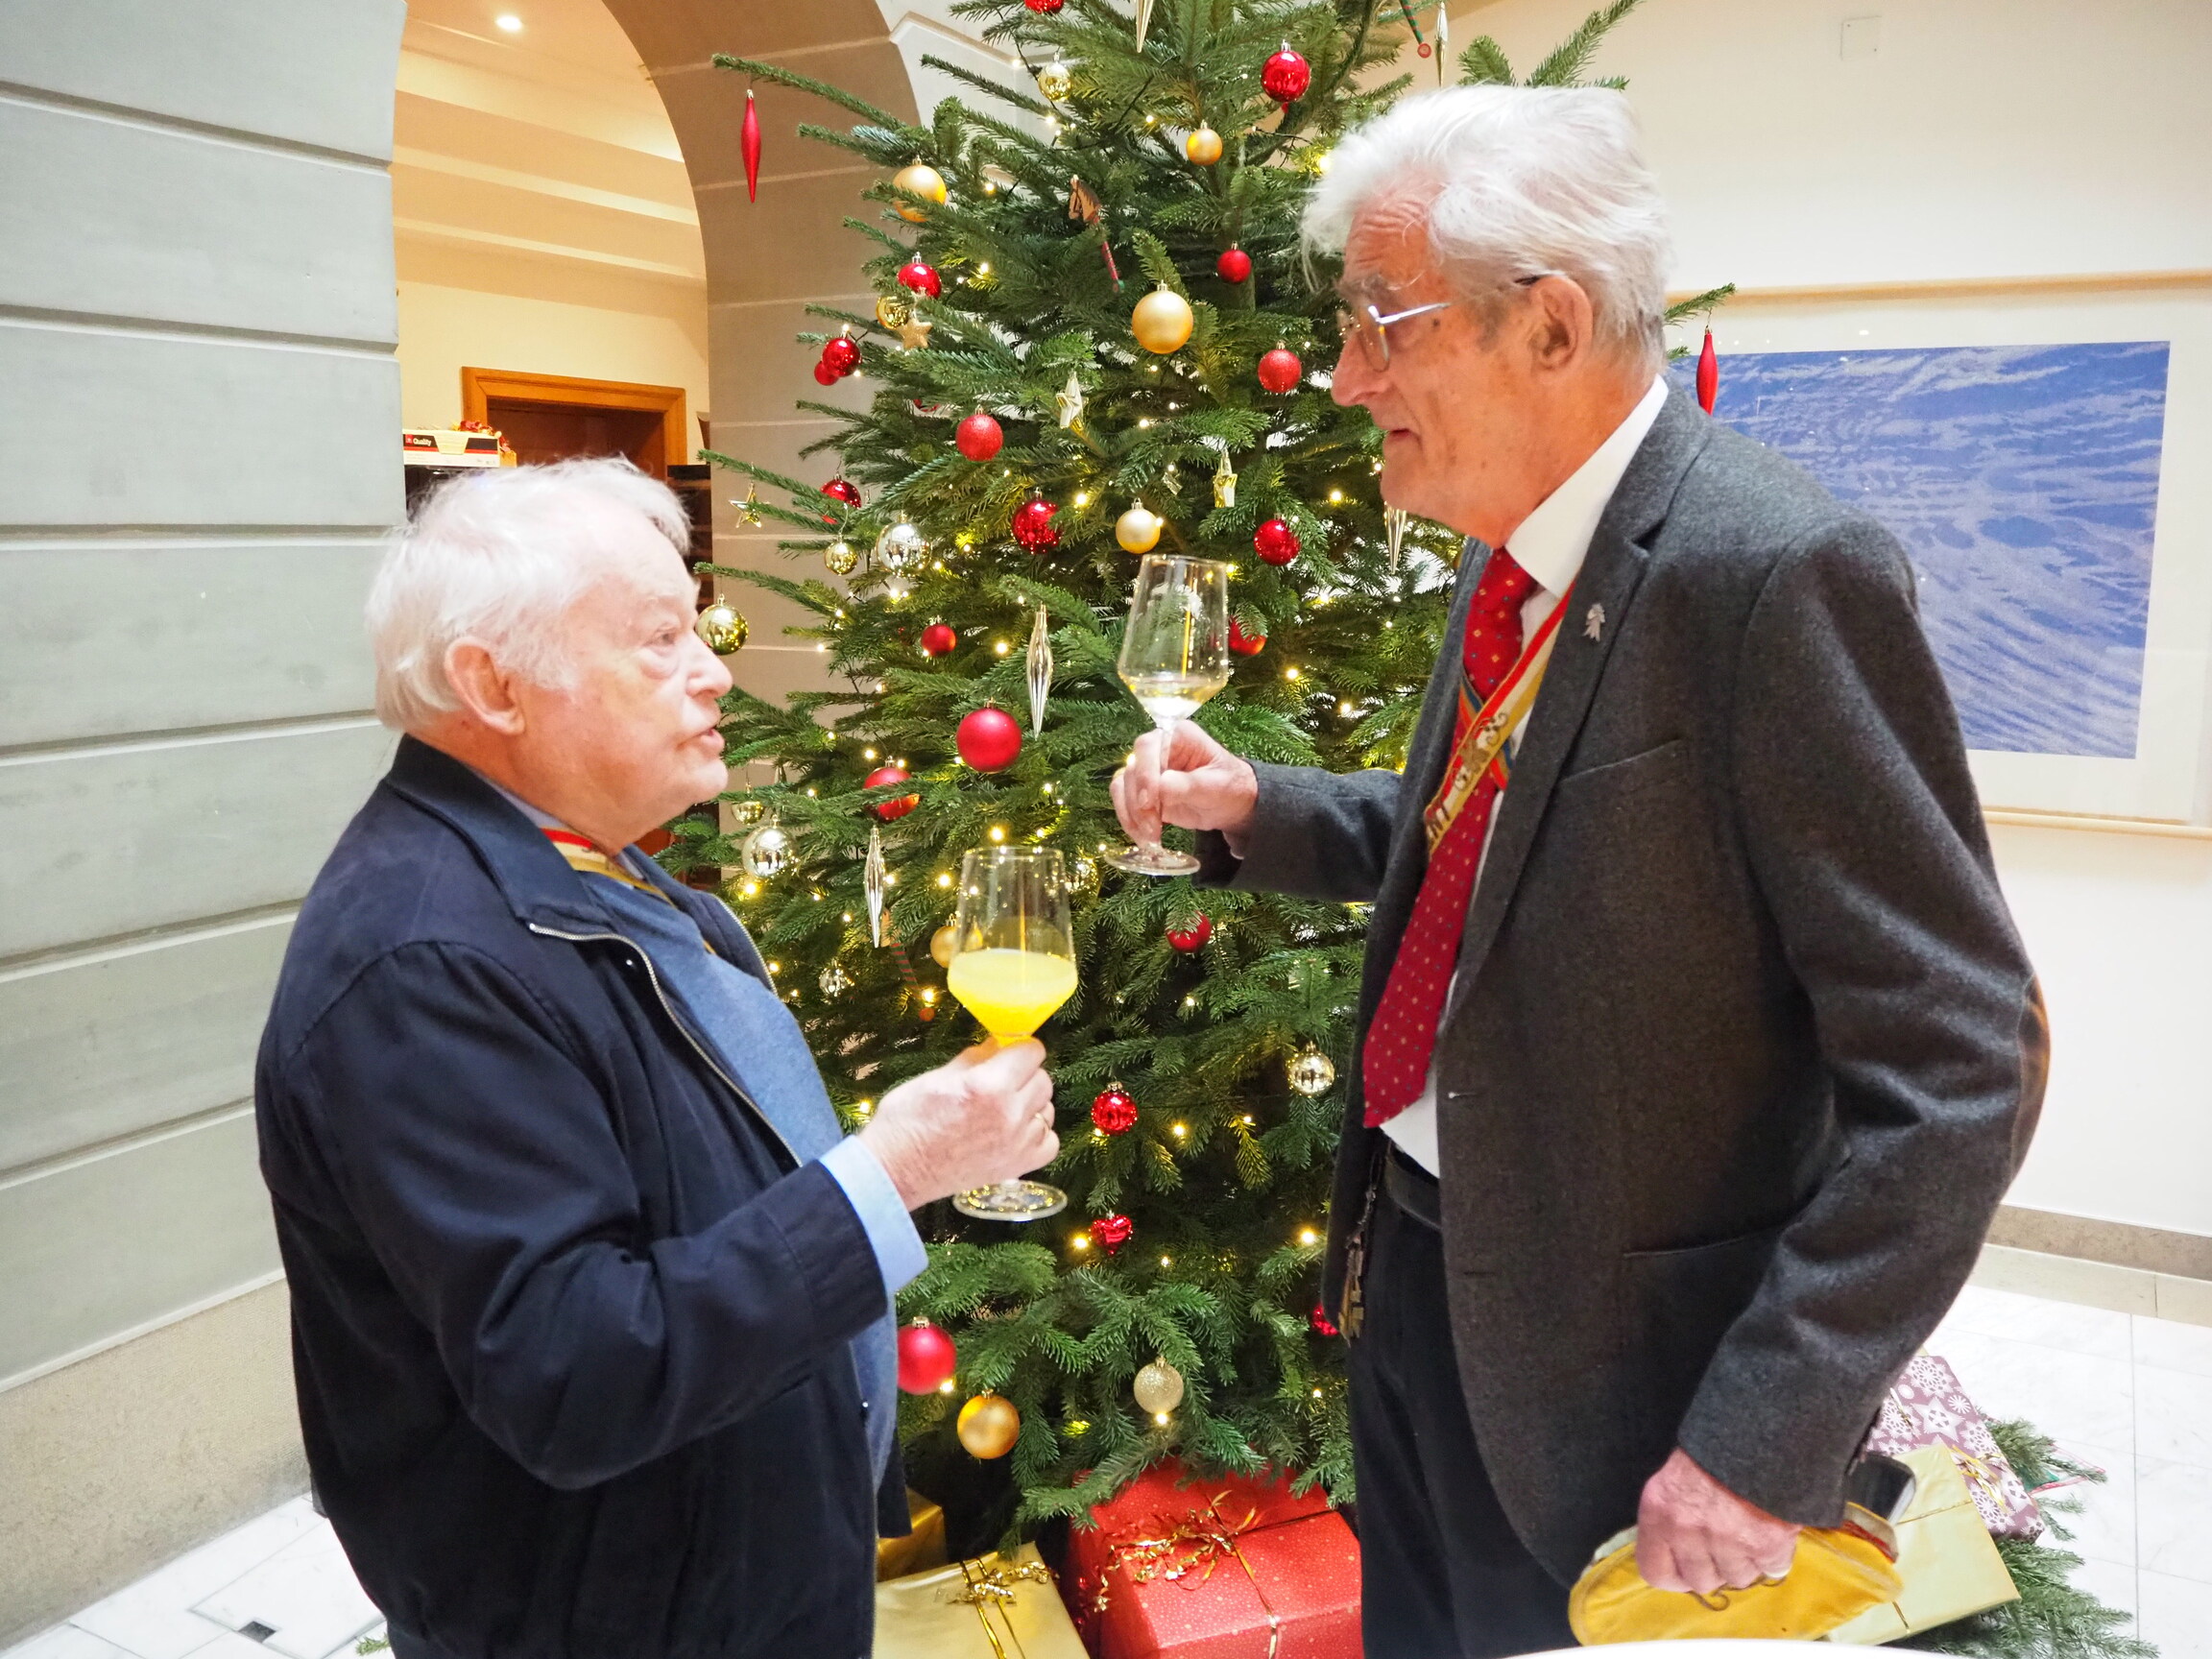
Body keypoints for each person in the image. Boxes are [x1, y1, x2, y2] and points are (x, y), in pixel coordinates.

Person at [1113, 85, 2046, 1657]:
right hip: (1426, 1286)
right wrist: (1251, 803)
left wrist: (1762, 1432)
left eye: (1379, 326)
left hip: (1627, 1383)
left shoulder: (1769, 572)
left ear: (1544, 326)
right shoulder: (1511, 548)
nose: (1344, 379)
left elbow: (1959, 1066)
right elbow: (1482, 840)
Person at [255, 458, 1059, 1659]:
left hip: (729, 1571)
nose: (715, 669)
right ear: (494, 683)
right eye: (659, 637)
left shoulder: (599, 865)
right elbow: (578, 1371)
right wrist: (892, 1175)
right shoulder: (425, 969)